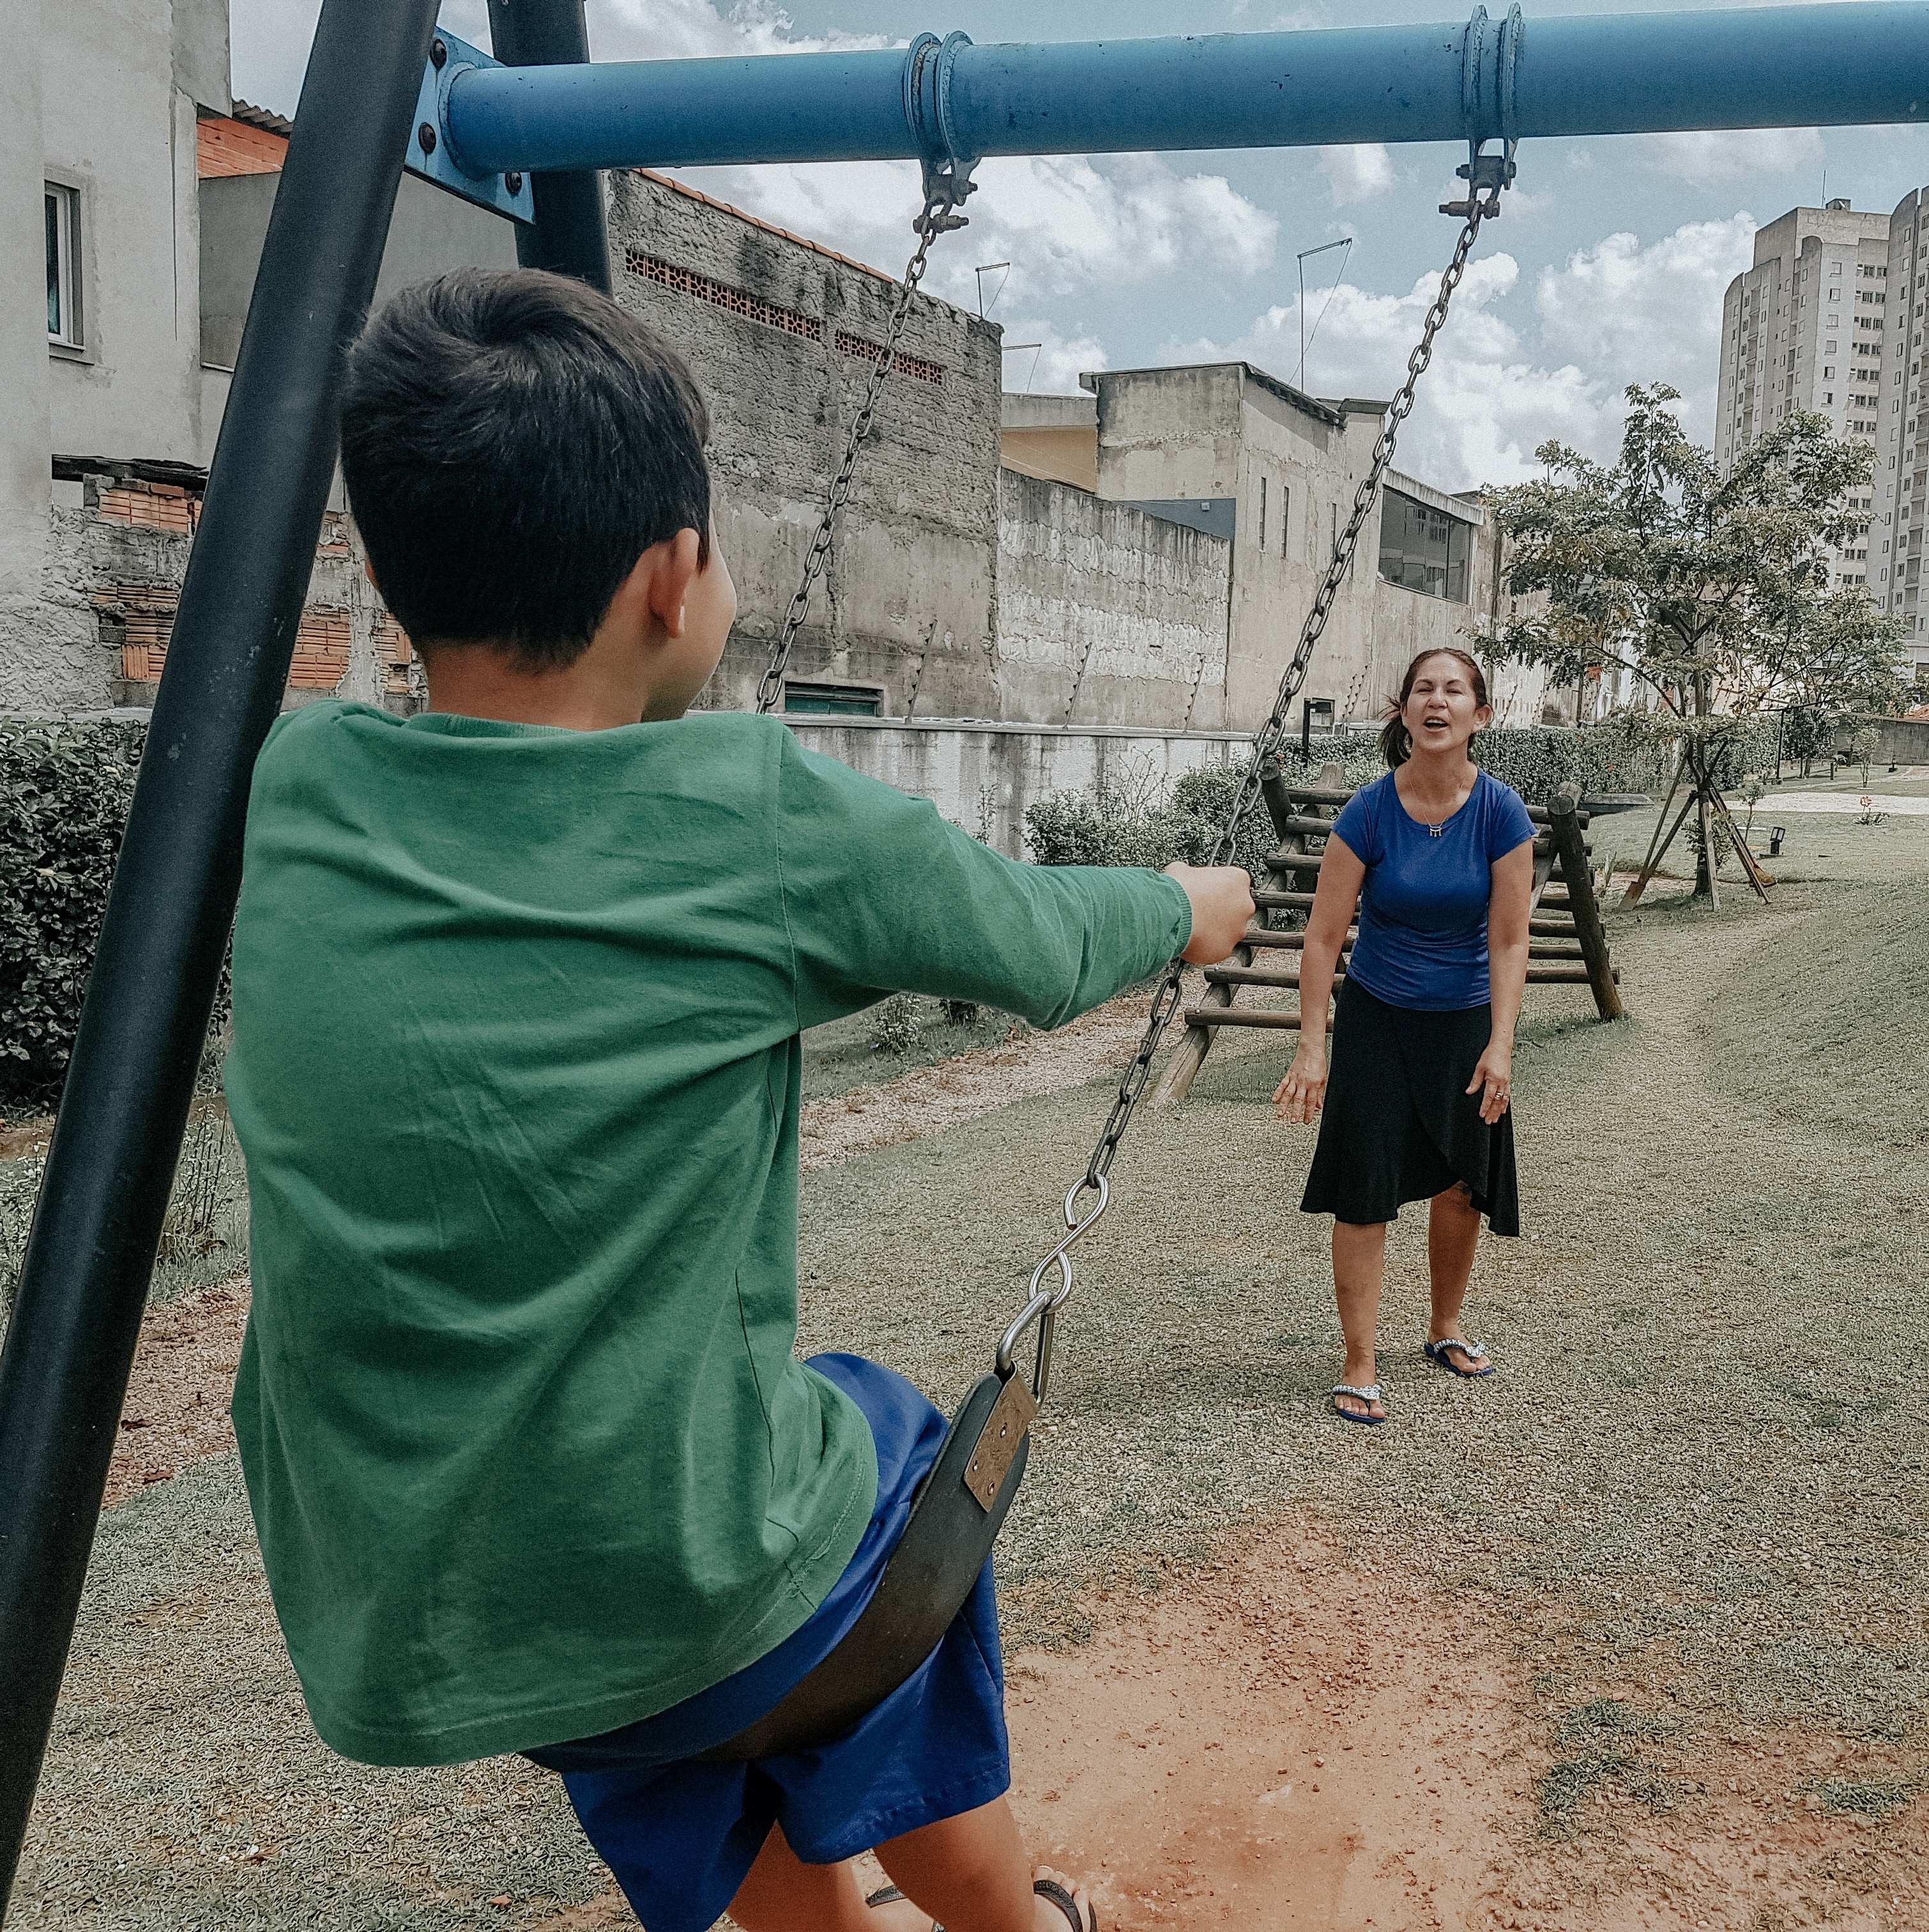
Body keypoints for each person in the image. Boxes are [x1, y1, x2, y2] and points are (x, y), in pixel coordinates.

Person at [222, 268, 1253, 1932]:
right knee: (896, 1482)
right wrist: (1190, 905)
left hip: (427, 1613)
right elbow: (1041, 942)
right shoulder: (748, 811)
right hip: (690, 1581)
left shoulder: (295, 787)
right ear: (669, 576)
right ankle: (1016, 1925)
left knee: (688, 1687)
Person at [1272, 647, 1535, 1425]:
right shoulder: (1368, 811)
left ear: (1478, 716)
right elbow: (1322, 938)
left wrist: (1500, 1044)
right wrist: (1312, 1045)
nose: (1437, 701)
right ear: (1404, 711)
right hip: (1377, 1020)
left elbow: (1510, 941)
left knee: (1462, 1184)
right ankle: (1358, 1363)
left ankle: (1443, 1328)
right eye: (1423, 688)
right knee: (1366, 1193)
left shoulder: (1499, 812)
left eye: (1454, 691)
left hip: (1463, 1023)